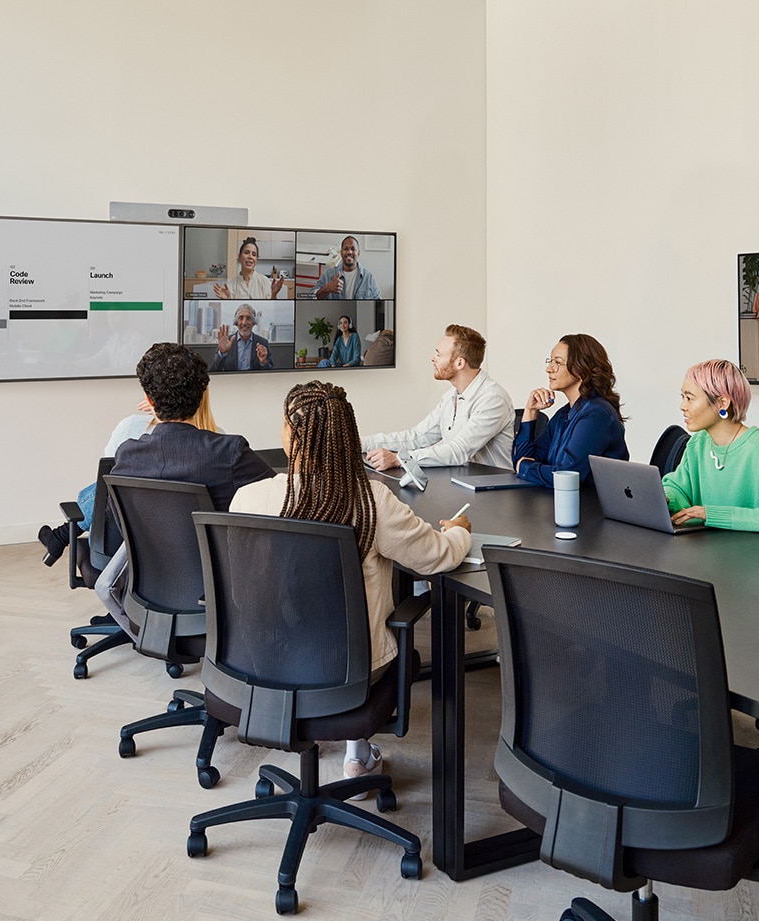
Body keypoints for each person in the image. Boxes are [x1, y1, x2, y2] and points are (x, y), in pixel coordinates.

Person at [230, 380, 470, 789]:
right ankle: (357, 756)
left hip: (264, 656)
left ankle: (355, 754)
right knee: (363, 626)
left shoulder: (247, 499)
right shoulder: (370, 501)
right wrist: (460, 531)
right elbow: (438, 556)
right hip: (351, 672)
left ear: (290, 435)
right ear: (347, 437)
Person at [94, 343, 275, 633]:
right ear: (203, 395)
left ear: (149, 400)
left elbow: (117, 525)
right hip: (218, 598)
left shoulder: (127, 456)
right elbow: (280, 498)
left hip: (147, 594)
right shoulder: (228, 452)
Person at [38, 389, 221, 563]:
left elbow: (108, 476)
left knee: (109, 482)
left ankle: (63, 534)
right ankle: (61, 535)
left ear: (152, 398)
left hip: (129, 544)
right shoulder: (220, 441)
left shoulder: (133, 427)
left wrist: (163, 415)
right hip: (196, 549)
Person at [662, 359, 759, 535]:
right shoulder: (698, 444)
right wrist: (666, 499)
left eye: (689, 398)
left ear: (722, 403)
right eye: (682, 397)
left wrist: (714, 514)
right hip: (709, 553)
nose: (683, 406)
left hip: (753, 556)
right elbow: (678, 487)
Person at [363, 324, 515, 471]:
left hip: (493, 492)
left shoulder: (493, 399)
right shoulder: (450, 397)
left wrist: (399, 459)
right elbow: (417, 437)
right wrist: (361, 443)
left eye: (438, 354)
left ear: (459, 363)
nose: (433, 358)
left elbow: (458, 451)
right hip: (461, 483)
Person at [512, 334, 628, 486]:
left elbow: (567, 476)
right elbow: (523, 460)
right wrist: (530, 411)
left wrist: (525, 468)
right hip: (563, 502)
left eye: (558, 363)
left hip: (592, 507)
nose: (549, 369)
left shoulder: (596, 414)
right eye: (550, 361)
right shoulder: (564, 413)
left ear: (581, 370)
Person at [212, 236, 284, 300]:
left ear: (256, 259)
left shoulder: (265, 281)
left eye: (254, 254)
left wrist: (274, 295)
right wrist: (226, 300)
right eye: (246, 253)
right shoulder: (230, 285)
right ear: (239, 257)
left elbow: (271, 309)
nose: (250, 257)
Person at [313, 235, 381, 300]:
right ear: (341, 252)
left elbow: (378, 303)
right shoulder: (328, 275)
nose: (349, 252)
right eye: (346, 249)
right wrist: (327, 289)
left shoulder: (369, 277)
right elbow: (311, 297)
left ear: (358, 253)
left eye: (353, 249)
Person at [211, 303, 274, 371]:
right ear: (236, 322)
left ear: (253, 322)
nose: (244, 323)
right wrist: (222, 354)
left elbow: (270, 371)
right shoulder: (226, 342)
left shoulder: (262, 342)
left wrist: (263, 362)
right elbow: (213, 370)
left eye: (248, 318)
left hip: (255, 381)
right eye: (241, 318)